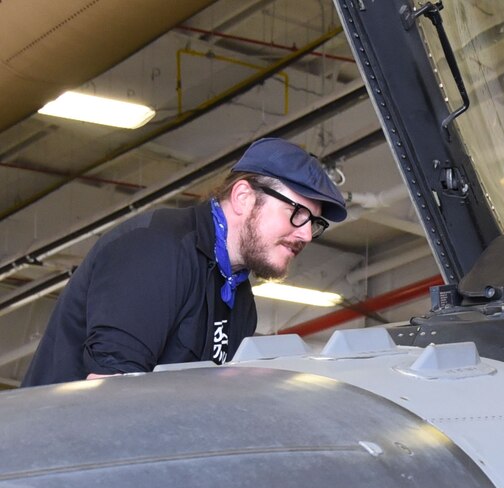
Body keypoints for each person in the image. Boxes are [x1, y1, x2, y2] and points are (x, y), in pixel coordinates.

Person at [21, 137, 347, 386]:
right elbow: (108, 393)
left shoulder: (239, 299)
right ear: (244, 198)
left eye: (314, 224)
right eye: (297, 214)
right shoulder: (155, 250)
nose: (305, 234)